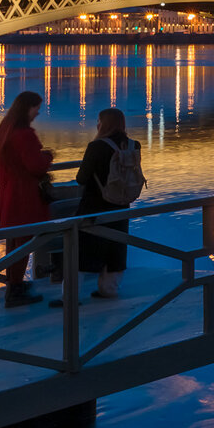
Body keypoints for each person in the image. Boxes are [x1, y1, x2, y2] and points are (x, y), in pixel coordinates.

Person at [0, 91, 53, 307]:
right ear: (27, 108)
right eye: (36, 107)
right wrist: (48, 157)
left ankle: (14, 283)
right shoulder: (24, 135)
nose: (38, 112)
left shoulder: (1, 132)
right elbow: (36, 166)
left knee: (13, 241)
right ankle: (15, 290)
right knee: (23, 243)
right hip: (24, 195)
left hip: (7, 193)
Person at [75, 108, 141, 298]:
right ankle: (109, 289)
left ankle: (71, 295)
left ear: (103, 124)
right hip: (121, 204)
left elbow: (82, 178)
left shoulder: (96, 147)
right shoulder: (133, 145)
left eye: (98, 120)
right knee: (116, 246)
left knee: (80, 249)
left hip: (94, 205)